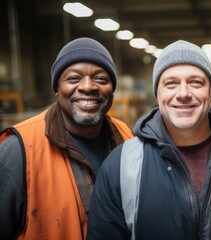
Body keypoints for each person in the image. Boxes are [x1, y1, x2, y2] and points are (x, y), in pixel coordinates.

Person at [86, 40, 211, 240]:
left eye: (195, 82)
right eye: (171, 83)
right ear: (158, 93)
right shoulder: (120, 167)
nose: (183, 94)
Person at [0, 37, 134, 239]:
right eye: (73, 78)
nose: (88, 87)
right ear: (57, 88)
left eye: (101, 79)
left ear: (112, 90)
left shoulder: (126, 136)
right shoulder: (18, 150)